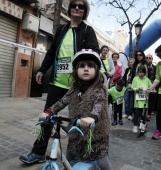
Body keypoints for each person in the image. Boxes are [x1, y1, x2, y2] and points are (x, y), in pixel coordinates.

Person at [19, 0, 100, 164]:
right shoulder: (62, 30)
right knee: (48, 118)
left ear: (85, 11)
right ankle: (38, 152)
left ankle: (82, 154)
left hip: (78, 86)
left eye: (81, 6)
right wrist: (41, 69)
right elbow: (51, 52)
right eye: (74, 5)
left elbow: (94, 52)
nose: (77, 8)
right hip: (57, 82)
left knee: (79, 121)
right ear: (70, 10)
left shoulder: (87, 31)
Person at [39, 49, 113, 170]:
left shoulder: (100, 89)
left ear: (97, 70)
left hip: (96, 134)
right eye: (82, 66)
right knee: (68, 158)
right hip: (76, 130)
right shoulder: (73, 89)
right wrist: (48, 112)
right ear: (75, 70)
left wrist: (91, 117)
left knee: (102, 160)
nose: (86, 69)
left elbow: (99, 105)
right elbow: (62, 101)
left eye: (90, 66)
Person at [147, 44, 161, 142]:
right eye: (159, 56)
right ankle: (157, 130)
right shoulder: (159, 64)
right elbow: (157, 79)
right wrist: (151, 88)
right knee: (159, 110)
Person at [131, 65, 152, 133]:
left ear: (145, 73)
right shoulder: (135, 79)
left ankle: (143, 125)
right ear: (138, 72)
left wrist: (149, 90)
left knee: (144, 114)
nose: (141, 73)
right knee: (136, 114)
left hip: (145, 101)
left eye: (143, 72)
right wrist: (137, 89)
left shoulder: (147, 79)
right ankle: (135, 126)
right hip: (137, 101)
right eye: (140, 72)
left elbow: (151, 87)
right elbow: (132, 87)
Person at [145, 54, 156, 121]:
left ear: (152, 59)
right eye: (147, 58)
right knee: (143, 100)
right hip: (144, 86)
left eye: (150, 58)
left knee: (151, 101)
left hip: (152, 86)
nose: (148, 59)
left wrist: (154, 87)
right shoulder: (143, 66)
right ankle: (142, 114)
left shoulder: (155, 67)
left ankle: (149, 113)